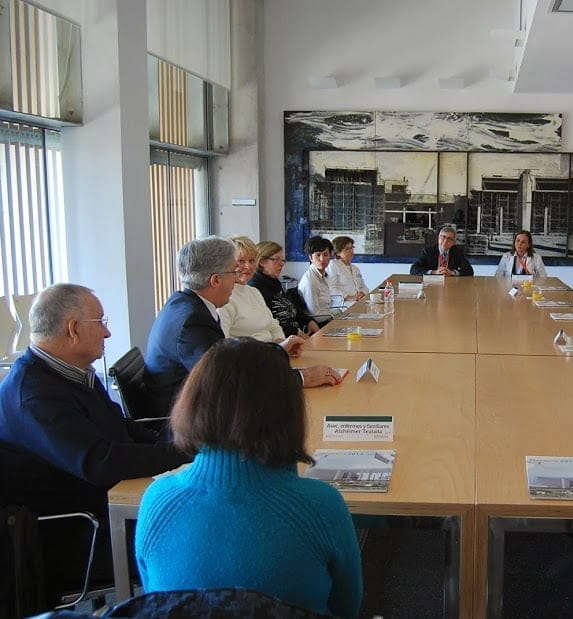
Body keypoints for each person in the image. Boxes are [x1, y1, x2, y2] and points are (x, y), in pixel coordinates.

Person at [135, 338, 362, 617]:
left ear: (194, 403)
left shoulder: (157, 502)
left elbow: (155, 602)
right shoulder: (322, 506)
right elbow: (347, 607)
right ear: (289, 411)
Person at [0, 284, 189, 593]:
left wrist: (183, 440)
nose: (108, 333)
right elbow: (100, 462)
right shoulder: (33, 395)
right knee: (203, 531)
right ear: (73, 329)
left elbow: (121, 428)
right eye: (101, 322)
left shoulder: (71, 371)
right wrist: (185, 452)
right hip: (78, 533)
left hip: (104, 507)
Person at [147, 237, 339, 417]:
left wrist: (278, 351)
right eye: (233, 271)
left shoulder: (185, 303)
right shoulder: (192, 322)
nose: (238, 278)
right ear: (215, 280)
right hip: (191, 422)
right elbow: (232, 381)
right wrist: (301, 378)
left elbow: (230, 361)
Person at [217, 235, 306, 348]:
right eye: (241, 261)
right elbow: (225, 345)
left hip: (273, 354)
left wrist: (282, 346)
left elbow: (273, 325)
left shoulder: (254, 292)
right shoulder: (223, 299)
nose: (248, 266)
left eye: (251, 260)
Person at [248, 240, 320, 336]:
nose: (282, 264)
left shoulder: (274, 282)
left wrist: (309, 321)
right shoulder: (255, 287)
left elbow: (290, 307)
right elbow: (270, 322)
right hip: (281, 339)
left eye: (282, 260)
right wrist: (297, 333)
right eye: (276, 259)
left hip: (295, 335)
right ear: (262, 262)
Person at [297, 236, 337, 325]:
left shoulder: (322, 275)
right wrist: (336, 313)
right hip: (319, 325)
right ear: (311, 258)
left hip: (328, 319)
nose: (322, 259)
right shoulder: (310, 280)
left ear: (330, 256)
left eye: (325, 254)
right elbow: (315, 315)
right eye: (318, 255)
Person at [328, 236, 369, 304]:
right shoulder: (333, 265)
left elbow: (364, 287)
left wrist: (363, 293)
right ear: (338, 252)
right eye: (347, 249)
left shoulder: (355, 268)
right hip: (343, 305)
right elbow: (331, 288)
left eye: (352, 248)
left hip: (358, 302)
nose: (351, 251)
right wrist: (348, 297)